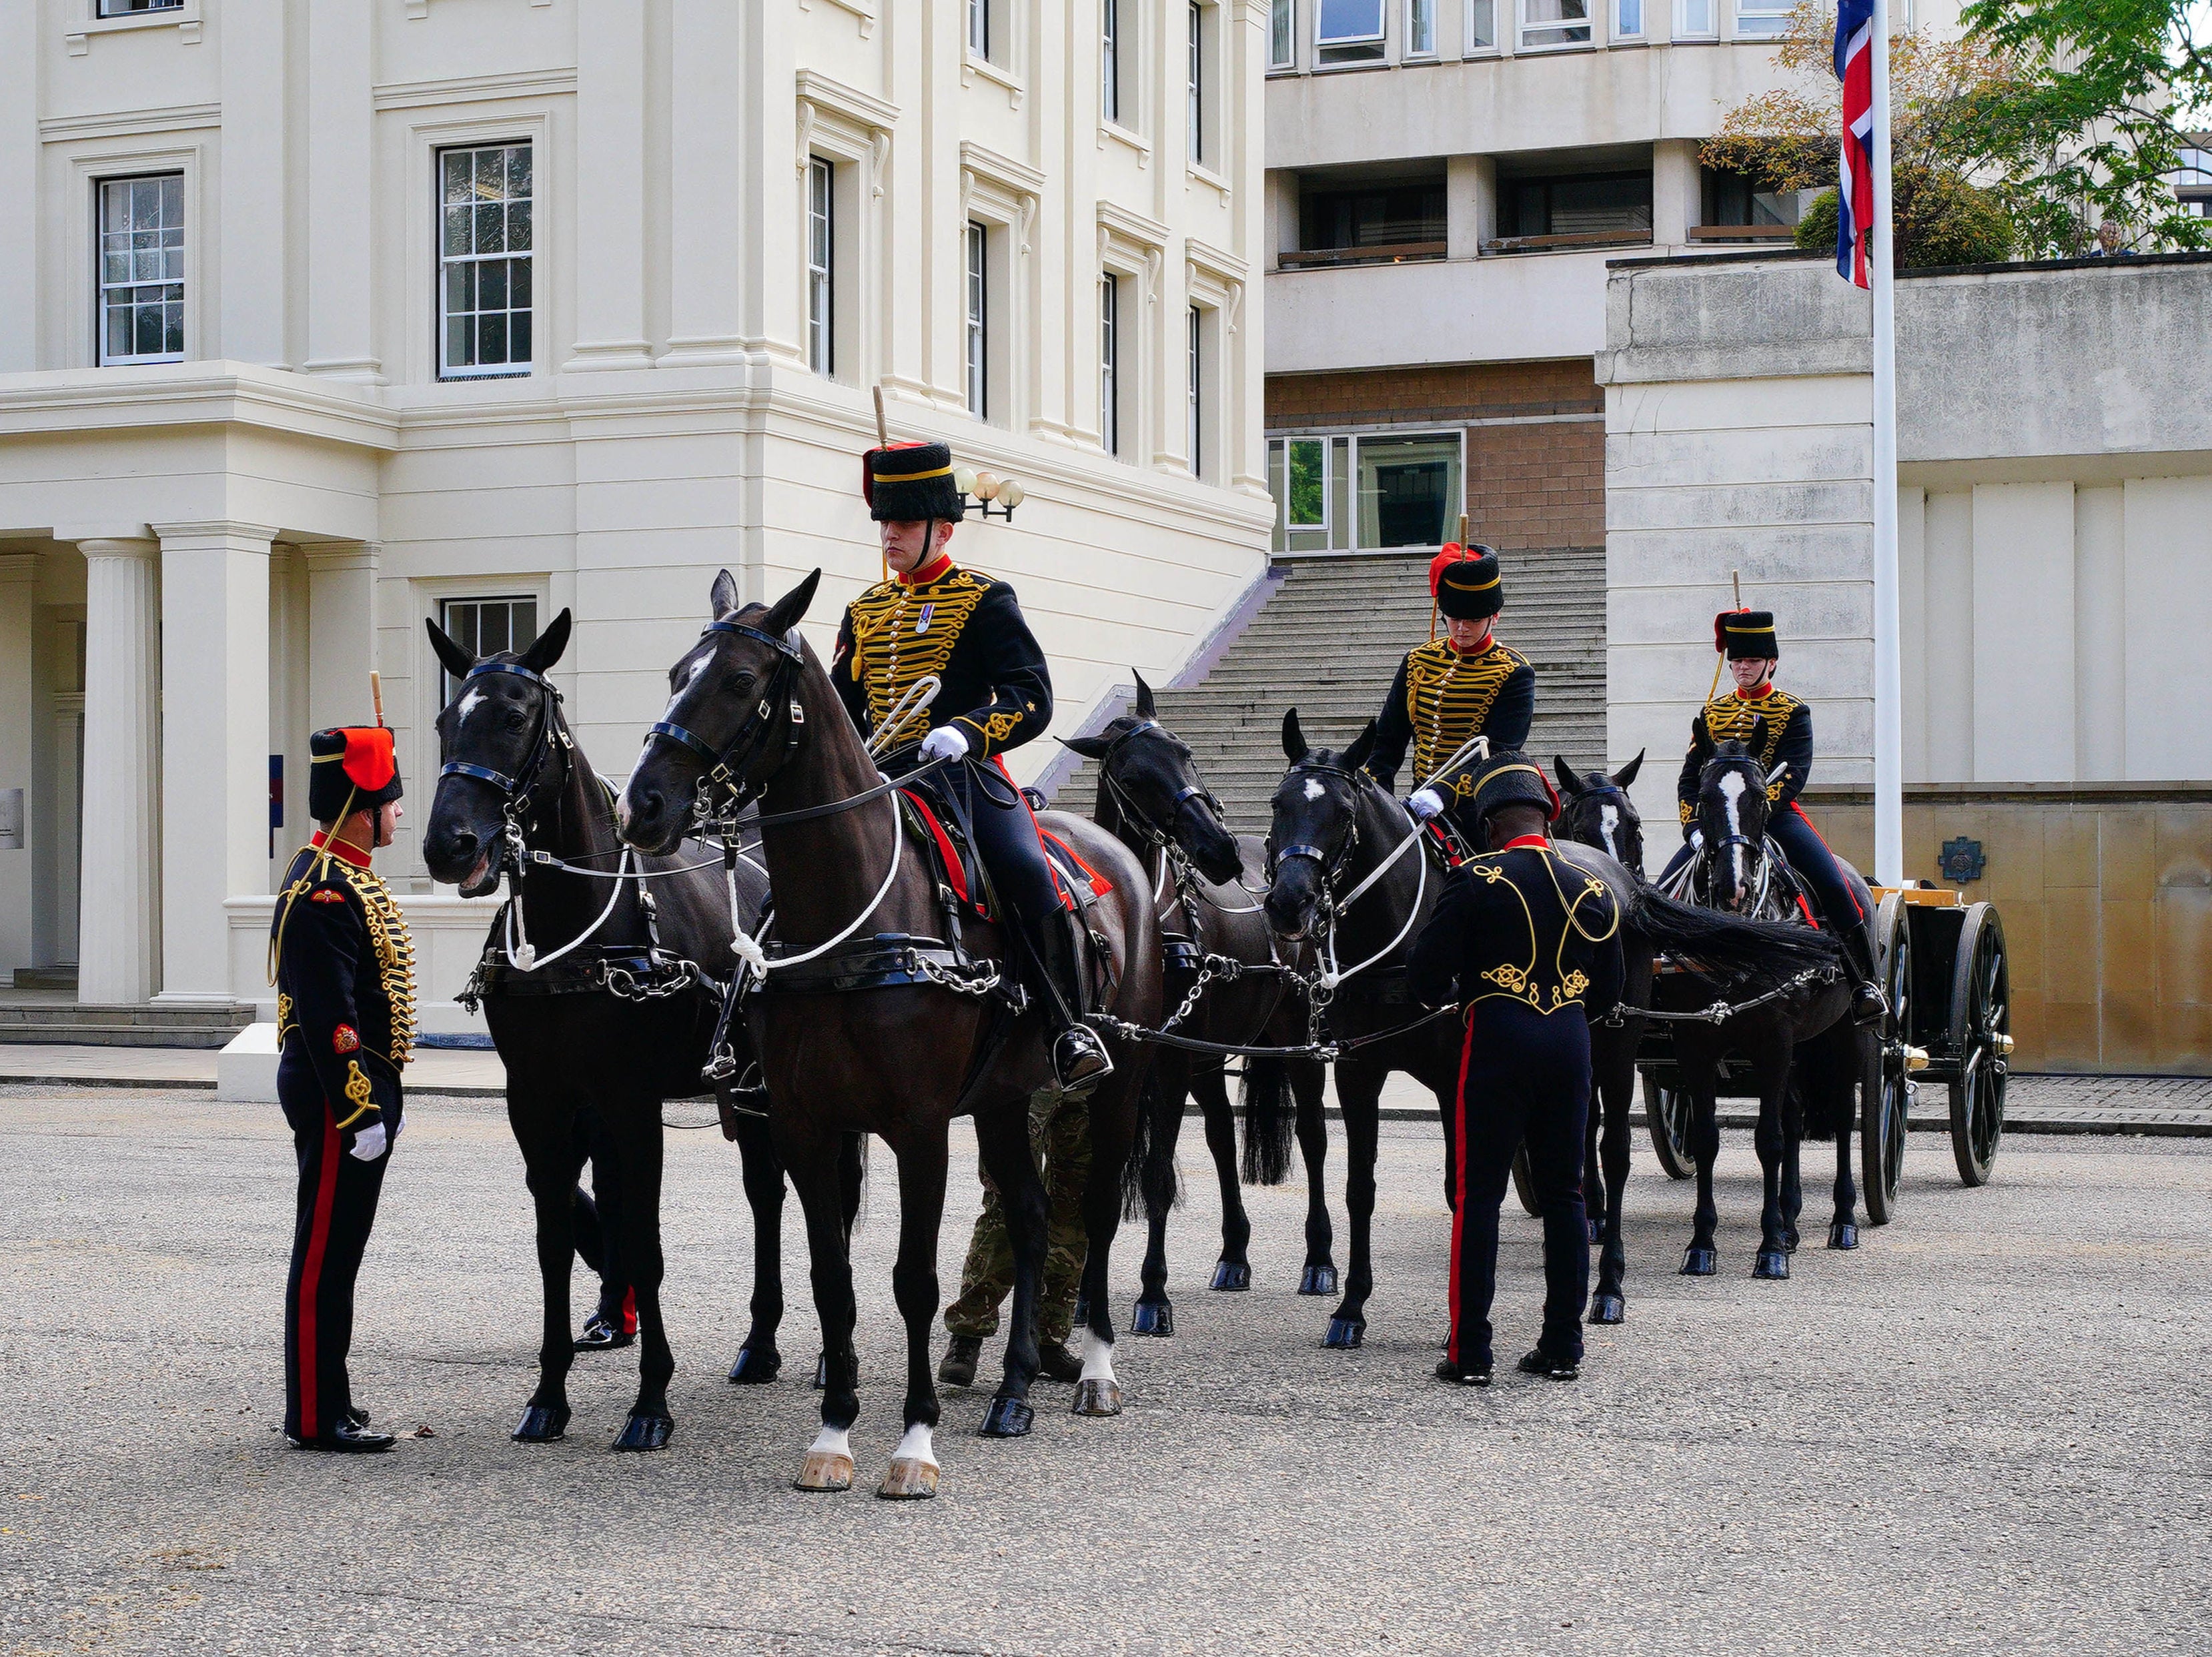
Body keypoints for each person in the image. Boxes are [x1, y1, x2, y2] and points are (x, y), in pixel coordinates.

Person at [831, 438, 1113, 1093]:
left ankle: (1067, 1026)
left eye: (902, 524)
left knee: (1023, 869)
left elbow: (1031, 696)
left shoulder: (983, 598)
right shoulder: (865, 610)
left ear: (944, 529)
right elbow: (841, 704)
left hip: (960, 775)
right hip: (876, 778)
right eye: (884, 523)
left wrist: (968, 731)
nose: (890, 535)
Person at [1409, 750, 1621, 1386]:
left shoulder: (1476, 877)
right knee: (1565, 1195)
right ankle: (1562, 1347)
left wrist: (1462, 990)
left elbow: (1424, 980)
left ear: (1490, 820)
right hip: (1569, 1046)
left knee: (1480, 1199)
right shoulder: (1593, 886)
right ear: (1547, 816)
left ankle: (1470, 1351)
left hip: (1497, 1044)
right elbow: (1607, 997)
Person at [269, 723, 416, 1451]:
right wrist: (359, 1108)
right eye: (390, 799)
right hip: (340, 1091)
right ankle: (313, 1415)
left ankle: (332, 1397)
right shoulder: (326, 890)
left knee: (340, 1253)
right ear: (362, 805)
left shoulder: (340, 871)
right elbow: (332, 1017)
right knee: (324, 1253)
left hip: (352, 1088)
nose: (398, 813)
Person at [1657, 609, 1885, 1024]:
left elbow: (1794, 773)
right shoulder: (1711, 714)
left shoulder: (1793, 712)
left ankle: (1864, 983)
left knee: (1835, 885)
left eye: (1752, 661)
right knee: (1658, 895)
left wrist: (1756, 815)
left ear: (1771, 662)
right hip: (1716, 827)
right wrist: (1693, 827)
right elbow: (1690, 780)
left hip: (1773, 817)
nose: (1743, 669)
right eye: (1737, 662)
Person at [1364, 545, 1535, 838]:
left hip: (1478, 809)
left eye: (1473, 620)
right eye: (1454, 618)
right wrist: (1377, 794)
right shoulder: (1418, 660)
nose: (1461, 629)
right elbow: (1388, 739)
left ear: (1495, 617)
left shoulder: (1514, 672)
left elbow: (1499, 751)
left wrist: (1444, 792)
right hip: (1416, 802)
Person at [938, 1088, 1090, 1387]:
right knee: (1006, 1203)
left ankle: (1050, 1338)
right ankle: (969, 1332)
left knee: (1075, 1210)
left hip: (1090, 1074)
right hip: (1026, 1072)